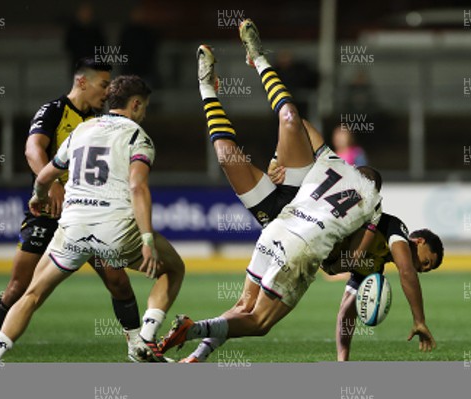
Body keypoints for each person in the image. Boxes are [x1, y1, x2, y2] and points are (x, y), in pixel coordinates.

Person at [158, 19, 382, 358]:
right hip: (297, 205)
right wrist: (278, 156)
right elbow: (301, 126)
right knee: (286, 118)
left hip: (284, 221)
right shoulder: (366, 199)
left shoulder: (350, 184)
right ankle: (251, 64)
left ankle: (196, 355)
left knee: (226, 155)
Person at [0, 75, 185, 364]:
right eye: (145, 107)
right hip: (115, 229)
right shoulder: (138, 137)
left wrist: (38, 196)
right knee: (174, 269)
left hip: (73, 228)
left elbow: (45, 176)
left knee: (32, 294)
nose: (145, 113)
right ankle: (146, 341)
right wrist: (147, 238)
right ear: (136, 104)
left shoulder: (80, 131)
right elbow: (137, 187)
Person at [320, 216, 442, 360]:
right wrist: (419, 321)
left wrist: (343, 358)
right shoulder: (396, 229)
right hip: (321, 222)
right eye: (426, 262)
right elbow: (406, 271)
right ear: (420, 241)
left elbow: (346, 314)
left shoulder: (375, 265)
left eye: (425, 270)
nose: (421, 268)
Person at [65, 2, 106, 75]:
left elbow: (102, 46)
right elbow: (68, 45)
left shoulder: (95, 29)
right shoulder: (73, 29)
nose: (86, 14)